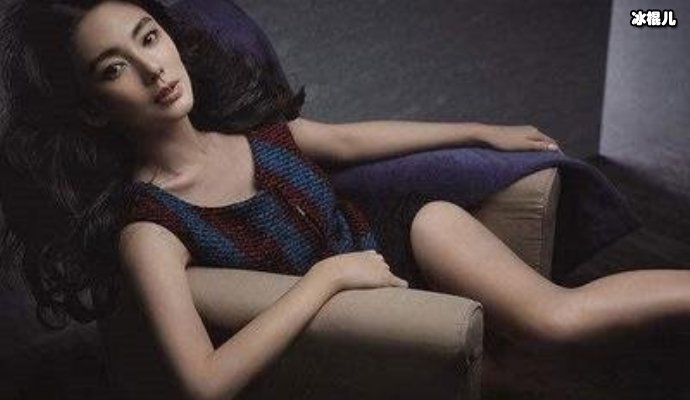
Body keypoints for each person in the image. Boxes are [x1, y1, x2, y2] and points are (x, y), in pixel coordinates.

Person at [1, 0, 688, 398]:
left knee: (556, 319)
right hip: (359, 318)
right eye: (114, 69)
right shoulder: (149, 227)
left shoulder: (249, 129)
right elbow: (203, 385)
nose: (153, 68)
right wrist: (327, 280)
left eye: (149, 37)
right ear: (93, 109)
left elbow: (356, 139)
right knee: (530, 371)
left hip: (399, 244)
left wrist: (484, 130)